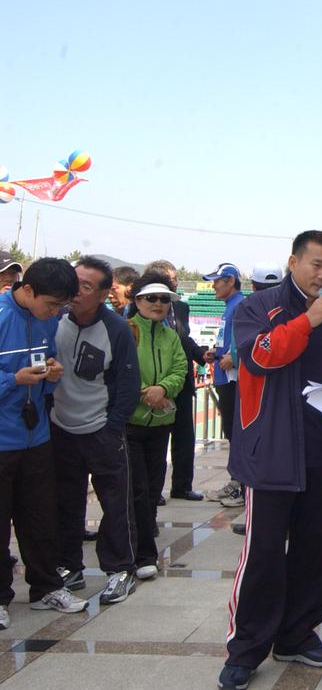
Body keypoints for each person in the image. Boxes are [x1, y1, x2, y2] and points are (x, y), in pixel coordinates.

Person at [219, 231, 322, 690]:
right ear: (293, 262)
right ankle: (245, 649)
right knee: (263, 553)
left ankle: (297, 635)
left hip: (321, 450)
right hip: (271, 451)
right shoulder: (258, 308)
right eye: (316, 264)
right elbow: (261, 358)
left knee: (313, 549)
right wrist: (308, 320)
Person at [0, 258, 89, 624]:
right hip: (3, 440)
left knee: (40, 517)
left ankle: (46, 587)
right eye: (51, 304)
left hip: (36, 435)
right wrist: (13, 380)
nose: (55, 313)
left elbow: (47, 362)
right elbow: (15, 377)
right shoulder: (2, 316)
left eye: (60, 307)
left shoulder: (48, 320)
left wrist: (52, 372)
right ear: (28, 289)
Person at [50, 256, 140, 604]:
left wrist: (111, 428)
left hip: (101, 430)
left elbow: (128, 385)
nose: (75, 291)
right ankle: (68, 566)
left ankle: (121, 570)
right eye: (74, 283)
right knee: (65, 501)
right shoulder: (55, 319)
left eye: (85, 286)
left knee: (115, 503)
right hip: (61, 428)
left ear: (103, 294)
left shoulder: (116, 329)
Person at [125, 272, 188, 580]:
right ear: (137, 300)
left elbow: (180, 369)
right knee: (136, 488)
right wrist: (145, 393)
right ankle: (142, 554)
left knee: (152, 486)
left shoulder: (170, 335)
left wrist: (163, 389)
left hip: (161, 423)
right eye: (151, 298)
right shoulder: (126, 331)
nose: (158, 304)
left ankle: (143, 534)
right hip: (130, 423)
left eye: (164, 299)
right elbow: (119, 372)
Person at [143, 259, 209, 503]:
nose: (176, 284)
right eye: (172, 279)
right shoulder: (141, 309)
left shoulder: (181, 308)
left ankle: (182, 486)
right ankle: (153, 490)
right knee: (156, 442)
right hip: (155, 386)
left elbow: (184, 340)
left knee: (184, 437)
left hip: (181, 382)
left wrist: (201, 355)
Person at [204, 263, 245, 507]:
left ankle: (239, 485)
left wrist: (233, 356)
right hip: (224, 375)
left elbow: (243, 339)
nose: (214, 286)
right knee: (232, 434)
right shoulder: (230, 305)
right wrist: (216, 352)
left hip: (232, 379)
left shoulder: (240, 304)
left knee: (237, 434)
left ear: (230, 281)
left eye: (217, 281)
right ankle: (236, 482)